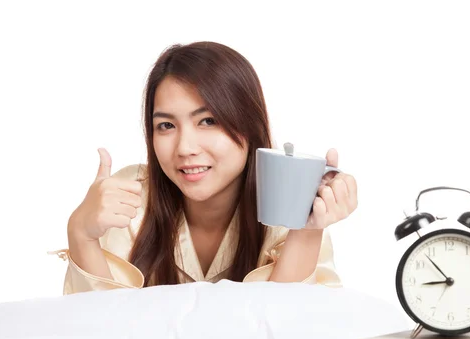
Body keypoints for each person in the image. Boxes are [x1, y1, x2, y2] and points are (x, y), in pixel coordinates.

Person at [50, 41, 358, 295]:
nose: (185, 148)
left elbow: (288, 338)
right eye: (166, 125)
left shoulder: (287, 212)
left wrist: (305, 231)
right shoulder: (131, 196)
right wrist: (81, 233)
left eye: (208, 121)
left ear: (250, 126)